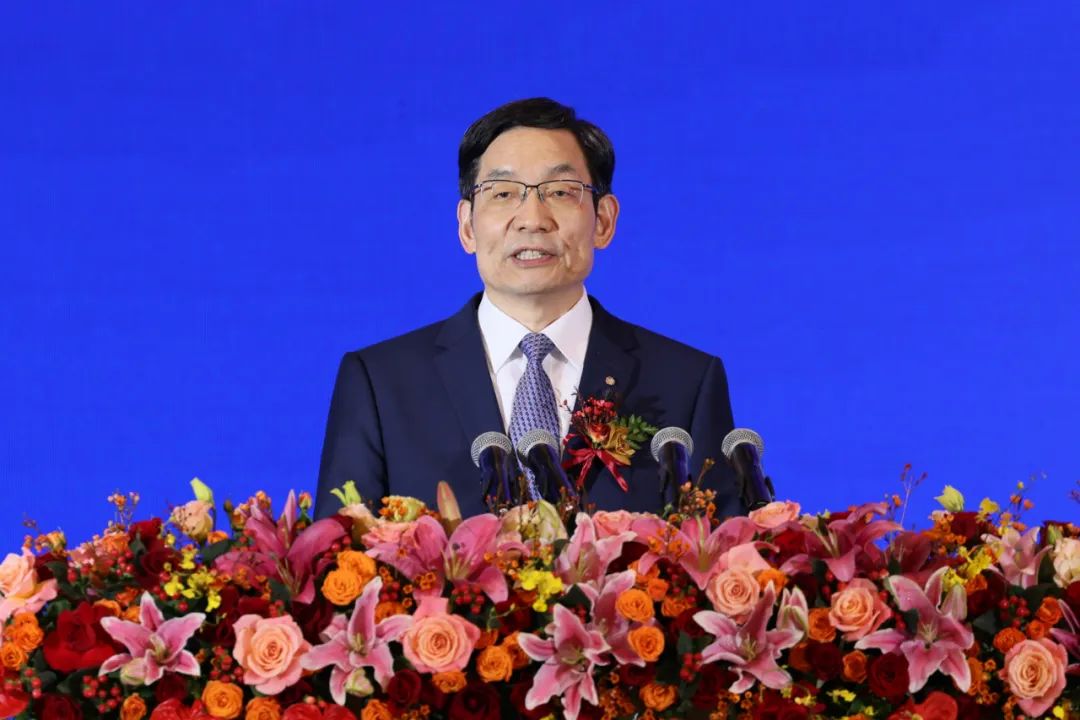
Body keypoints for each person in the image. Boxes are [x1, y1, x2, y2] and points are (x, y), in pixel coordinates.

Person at [314, 97, 744, 520]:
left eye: (560, 192)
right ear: (467, 227)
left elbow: (721, 548)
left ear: (604, 221)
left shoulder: (685, 384)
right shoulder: (381, 384)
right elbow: (338, 553)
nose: (532, 219)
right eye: (503, 193)